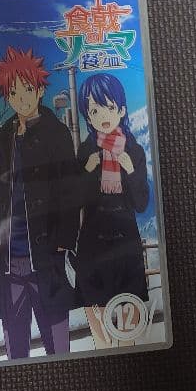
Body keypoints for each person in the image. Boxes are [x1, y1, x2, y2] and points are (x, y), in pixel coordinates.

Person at [0, 47, 80, 359]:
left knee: (57, 341)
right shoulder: (3, 136)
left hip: (45, 255)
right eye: (13, 92)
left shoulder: (57, 133)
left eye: (27, 89)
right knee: (15, 345)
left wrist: (63, 241)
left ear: (40, 89)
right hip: (10, 257)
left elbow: (70, 191)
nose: (21, 98)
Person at [75, 73, 149, 348]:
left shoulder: (134, 151)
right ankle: (103, 351)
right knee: (96, 308)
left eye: (109, 106)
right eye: (94, 110)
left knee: (130, 310)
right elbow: (76, 201)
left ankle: (129, 354)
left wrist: (131, 172)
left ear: (122, 110)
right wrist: (86, 172)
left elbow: (141, 203)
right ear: (87, 116)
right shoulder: (86, 152)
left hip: (125, 239)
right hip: (93, 242)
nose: (103, 115)